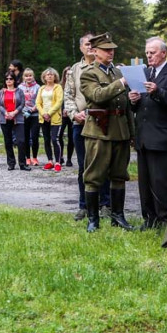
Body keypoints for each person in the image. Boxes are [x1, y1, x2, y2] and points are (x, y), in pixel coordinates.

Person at [128, 37, 167, 229]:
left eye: (152, 52)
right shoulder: (144, 72)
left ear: (164, 53)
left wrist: (158, 91)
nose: (149, 55)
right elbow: (137, 108)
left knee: (161, 180)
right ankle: (149, 218)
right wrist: (133, 99)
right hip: (143, 135)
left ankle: (165, 218)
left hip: (161, 134)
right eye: (147, 52)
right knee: (144, 181)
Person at [80, 33, 136, 232]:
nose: (111, 52)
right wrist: (121, 84)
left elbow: (126, 106)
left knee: (120, 175)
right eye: (106, 49)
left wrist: (132, 132)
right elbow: (97, 95)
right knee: (94, 176)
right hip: (99, 131)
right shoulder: (89, 73)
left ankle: (118, 217)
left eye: (112, 49)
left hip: (119, 130)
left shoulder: (117, 72)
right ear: (95, 52)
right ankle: (93, 219)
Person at [64, 34, 110, 219]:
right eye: (86, 44)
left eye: (93, 44)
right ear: (81, 48)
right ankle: (84, 206)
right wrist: (74, 114)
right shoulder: (74, 70)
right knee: (84, 166)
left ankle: (105, 205)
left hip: (102, 123)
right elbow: (68, 96)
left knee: (103, 164)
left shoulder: (106, 68)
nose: (90, 46)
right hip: (80, 124)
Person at [0, 72, 28, 171]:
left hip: (17, 118)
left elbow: (22, 103)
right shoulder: (1, 92)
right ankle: (11, 163)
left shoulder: (19, 91)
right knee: (8, 141)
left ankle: (22, 163)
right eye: (7, 79)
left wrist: (15, 112)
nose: (9, 80)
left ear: (14, 80)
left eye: (11, 78)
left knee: (21, 141)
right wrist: (6, 113)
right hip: (5, 119)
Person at [37, 67, 64, 171]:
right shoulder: (41, 88)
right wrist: (44, 114)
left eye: (51, 74)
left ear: (55, 77)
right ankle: (50, 161)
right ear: (44, 77)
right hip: (43, 118)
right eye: (47, 74)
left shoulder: (58, 87)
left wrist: (49, 113)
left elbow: (59, 102)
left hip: (55, 117)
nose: (49, 76)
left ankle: (58, 162)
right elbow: (38, 103)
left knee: (54, 139)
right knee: (46, 140)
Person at [19, 68, 41, 167]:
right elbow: (18, 101)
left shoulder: (38, 87)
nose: (28, 77)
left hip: (35, 114)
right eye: (26, 76)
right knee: (26, 137)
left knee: (35, 137)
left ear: (33, 76)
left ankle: (35, 157)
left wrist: (33, 109)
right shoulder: (20, 87)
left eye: (30, 75)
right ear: (23, 77)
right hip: (24, 115)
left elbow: (40, 101)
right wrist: (23, 111)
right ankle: (27, 158)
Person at [59, 65, 75, 167]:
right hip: (61, 114)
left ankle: (69, 158)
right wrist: (62, 110)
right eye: (66, 73)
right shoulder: (60, 86)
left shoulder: (75, 85)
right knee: (59, 135)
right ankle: (60, 156)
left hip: (72, 114)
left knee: (71, 137)